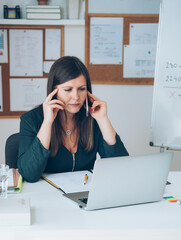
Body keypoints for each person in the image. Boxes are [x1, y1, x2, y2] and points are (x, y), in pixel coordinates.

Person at [17, 56, 129, 182]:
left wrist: (103, 119)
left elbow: (121, 166)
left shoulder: (92, 117)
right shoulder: (31, 120)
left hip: (85, 193)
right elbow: (28, 174)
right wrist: (47, 122)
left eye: (81, 89)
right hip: (47, 196)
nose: (76, 97)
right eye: (68, 90)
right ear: (54, 91)